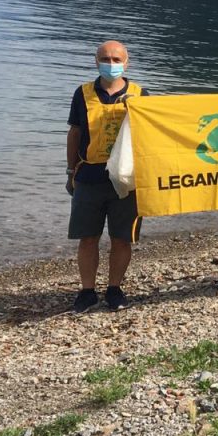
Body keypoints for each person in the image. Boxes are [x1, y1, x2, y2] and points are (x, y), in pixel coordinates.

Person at [67, 40, 146, 312]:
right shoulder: (83, 93)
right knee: (87, 237)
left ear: (127, 62)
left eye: (116, 59)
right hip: (89, 176)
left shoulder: (140, 94)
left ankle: (115, 289)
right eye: (105, 58)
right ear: (95, 61)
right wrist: (70, 171)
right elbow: (75, 133)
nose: (110, 64)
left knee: (122, 237)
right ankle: (87, 291)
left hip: (126, 178)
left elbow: (153, 137)